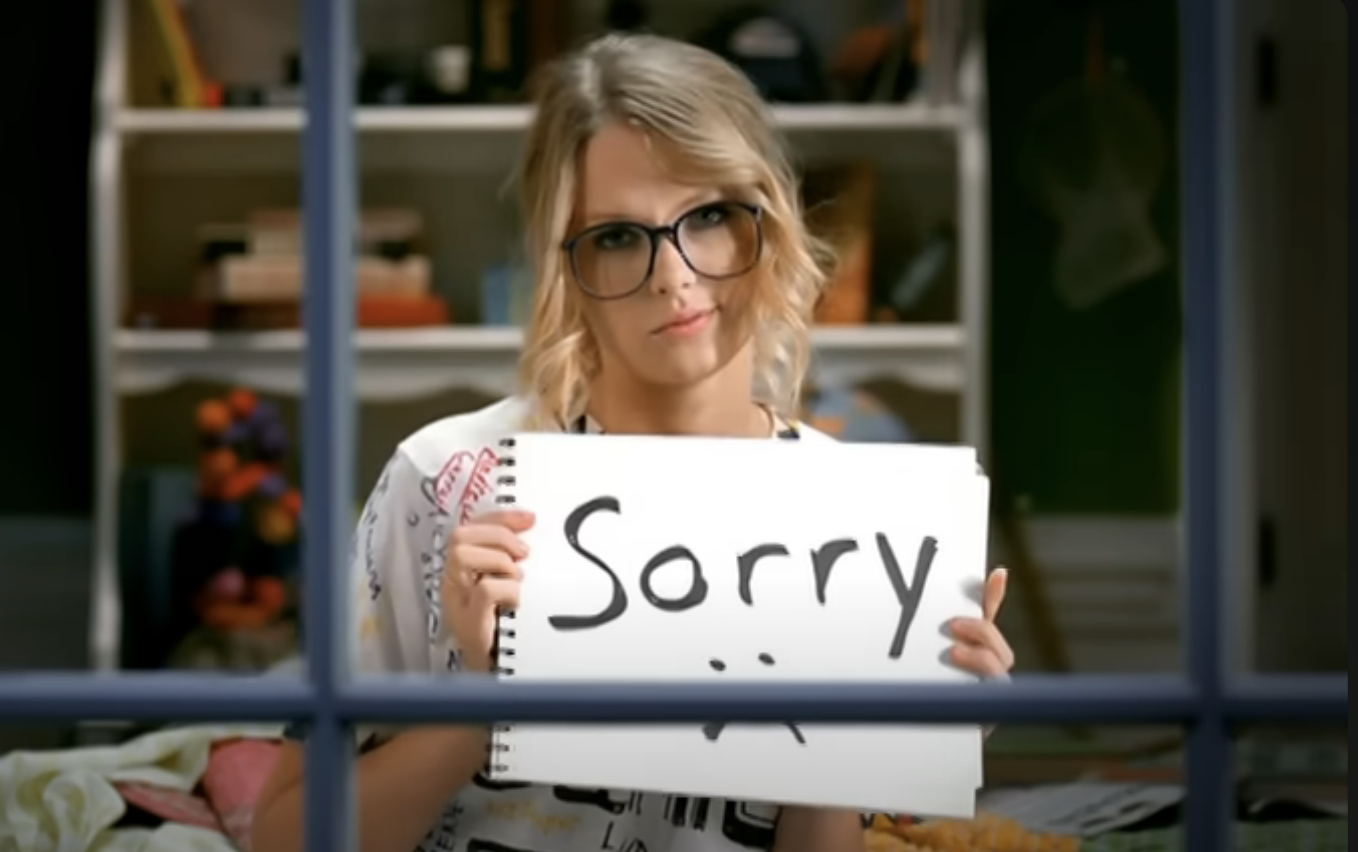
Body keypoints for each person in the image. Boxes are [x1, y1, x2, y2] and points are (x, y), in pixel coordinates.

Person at [252, 32, 1015, 852]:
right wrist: (480, 702)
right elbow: (283, 839)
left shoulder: (858, 532)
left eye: (711, 217)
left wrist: (862, 742)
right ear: (562, 267)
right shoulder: (446, 484)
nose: (672, 275)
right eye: (617, 236)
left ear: (771, 225)